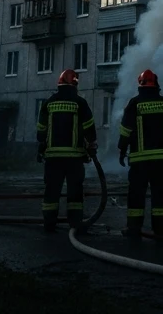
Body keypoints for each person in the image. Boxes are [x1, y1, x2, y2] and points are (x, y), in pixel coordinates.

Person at [118, 69, 163, 238]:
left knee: (136, 195)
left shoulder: (134, 103)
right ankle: (160, 229)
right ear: (156, 84)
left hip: (139, 160)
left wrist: (122, 149)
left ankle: (134, 228)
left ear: (140, 85)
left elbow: (125, 130)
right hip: (160, 160)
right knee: (160, 195)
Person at [36, 69, 97, 233]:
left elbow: (41, 129)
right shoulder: (80, 103)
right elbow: (89, 127)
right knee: (75, 192)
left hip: (53, 157)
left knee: (51, 191)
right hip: (74, 158)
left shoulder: (49, 102)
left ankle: (49, 223)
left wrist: (41, 144)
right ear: (75, 84)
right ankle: (75, 223)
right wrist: (92, 144)